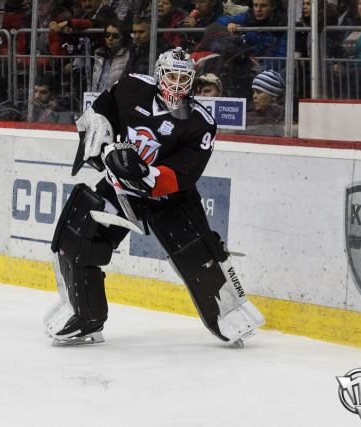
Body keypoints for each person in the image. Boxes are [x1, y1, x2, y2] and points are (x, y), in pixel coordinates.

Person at [44, 48, 264, 346]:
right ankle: (87, 319)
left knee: (201, 259)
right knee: (77, 242)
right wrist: (102, 147)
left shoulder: (201, 123)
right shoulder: (132, 86)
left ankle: (231, 315)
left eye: (184, 78)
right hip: (119, 189)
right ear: (159, 74)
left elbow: (181, 176)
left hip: (169, 199)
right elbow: (97, 114)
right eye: (171, 76)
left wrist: (142, 172)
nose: (176, 84)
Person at [90, 20, 130, 92]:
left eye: (115, 36)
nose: (110, 38)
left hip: (117, 99)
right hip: (96, 97)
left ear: (123, 37)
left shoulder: (129, 55)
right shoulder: (98, 53)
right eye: (107, 34)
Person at [246, 69, 285, 135]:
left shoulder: (283, 116)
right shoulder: (247, 113)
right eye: (254, 92)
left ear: (274, 96)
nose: (254, 96)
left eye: (259, 92)